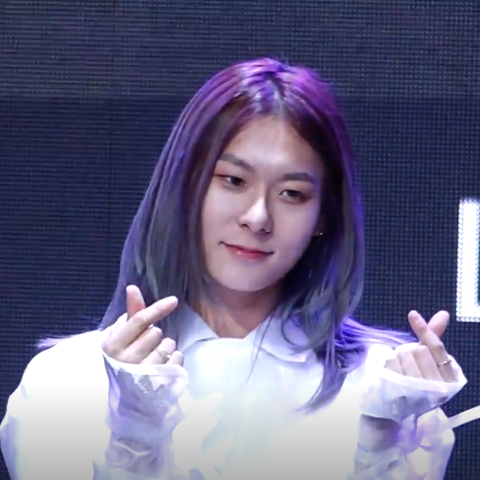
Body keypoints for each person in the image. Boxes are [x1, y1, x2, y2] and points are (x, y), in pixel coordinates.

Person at [0, 57, 470, 480]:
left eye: (292, 193)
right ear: (185, 186)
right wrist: (133, 433)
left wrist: (381, 437)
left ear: (324, 216)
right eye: (233, 180)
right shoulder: (66, 382)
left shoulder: (388, 389)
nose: (257, 217)